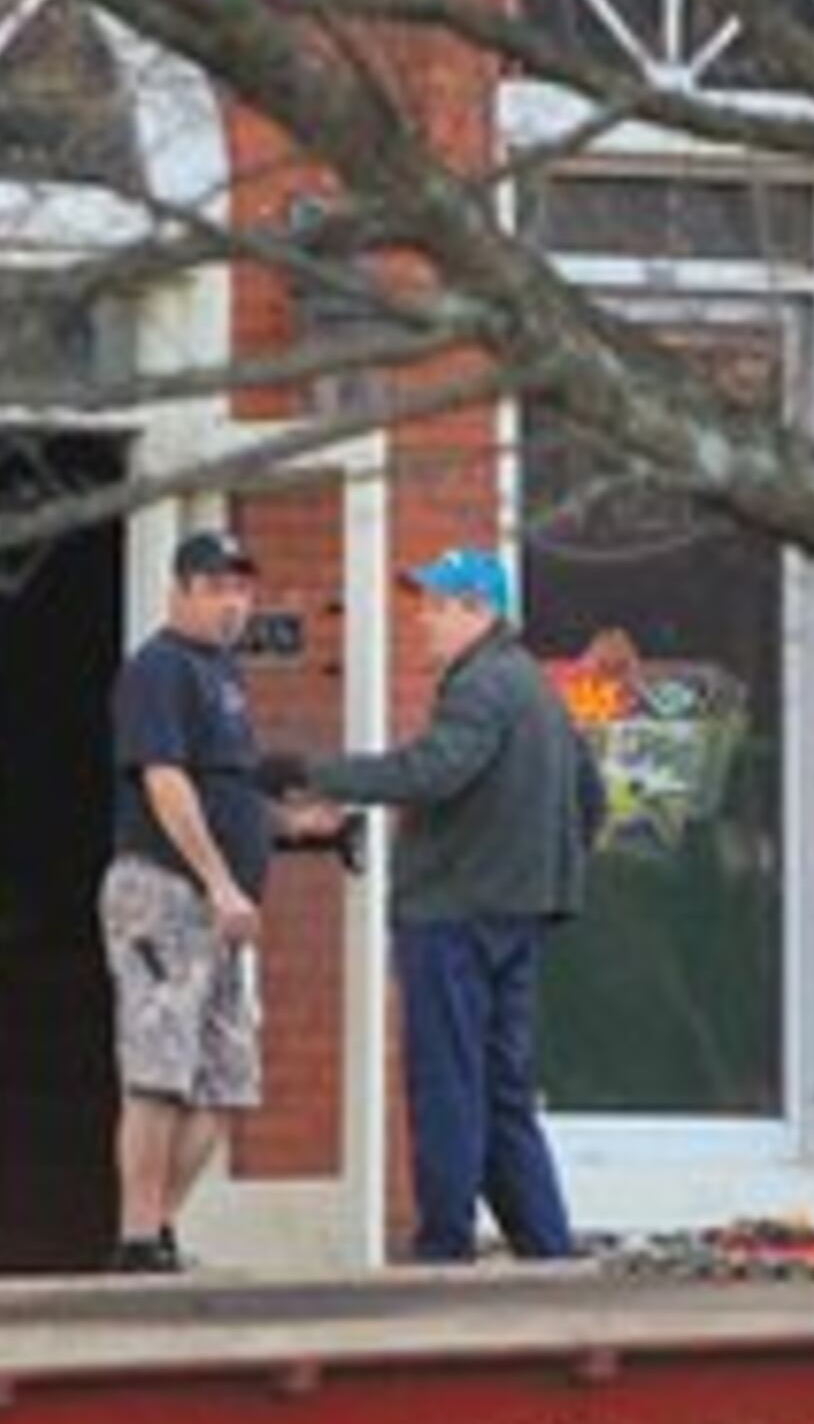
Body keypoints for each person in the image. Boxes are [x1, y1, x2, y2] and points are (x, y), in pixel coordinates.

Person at [271, 547, 600, 1263]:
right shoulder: (535, 686)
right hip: (520, 913)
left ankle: (444, 1250)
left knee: (447, 1083)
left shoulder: (479, 685)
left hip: (455, 915)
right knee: (504, 1090)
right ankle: (546, 1251)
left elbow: (432, 772)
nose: (422, 619)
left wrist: (309, 770)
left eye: (436, 604)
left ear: (478, 610)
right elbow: (589, 794)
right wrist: (543, 873)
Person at [99, 527, 275, 1273]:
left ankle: (162, 1226)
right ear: (180, 591)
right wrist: (219, 879)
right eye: (216, 588)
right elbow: (164, 779)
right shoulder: (159, 668)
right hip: (165, 891)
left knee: (225, 1077)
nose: (233, 603)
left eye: (242, 588)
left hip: (222, 909)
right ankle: (137, 1235)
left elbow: (227, 787)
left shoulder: (224, 674)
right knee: (159, 1069)